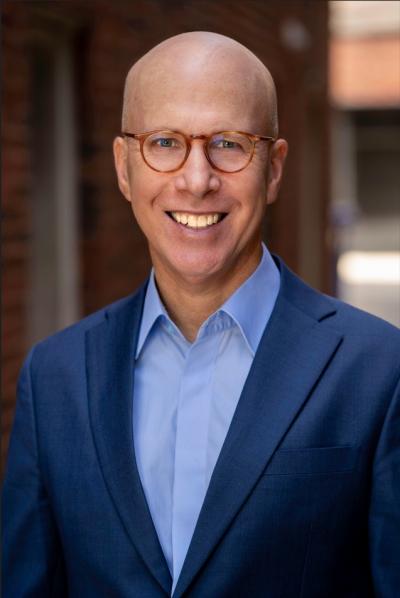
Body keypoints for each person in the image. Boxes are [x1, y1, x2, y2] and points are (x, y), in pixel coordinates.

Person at [2, 31, 400, 598]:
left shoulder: (380, 370)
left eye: (230, 144)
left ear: (275, 168)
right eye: (164, 142)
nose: (196, 179)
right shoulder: (55, 378)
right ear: (123, 167)